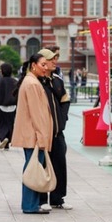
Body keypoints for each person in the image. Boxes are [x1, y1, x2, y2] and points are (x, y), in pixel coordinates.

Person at [11, 53, 54, 214]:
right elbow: (38, 114)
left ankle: (31, 203)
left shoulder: (30, 82)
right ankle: (30, 204)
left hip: (32, 133)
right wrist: (42, 136)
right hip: (34, 135)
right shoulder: (32, 84)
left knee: (32, 168)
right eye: (43, 64)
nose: (45, 68)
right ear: (33, 65)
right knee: (32, 169)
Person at [40, 49, 71, 210]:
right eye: (51, 59)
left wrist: (62, 118)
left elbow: (65, 101)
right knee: (43, 165)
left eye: (55, 59)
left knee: (59, 164)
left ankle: (58, 198)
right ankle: (42, 199)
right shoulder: (36, 81)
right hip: (42, 133)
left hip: (58, 131)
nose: (54, 62)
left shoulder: (57, 81)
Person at [0, 63, 18, 150]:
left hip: (1, 106)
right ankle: (8, 140)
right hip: (13, 106)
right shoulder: (15, 82)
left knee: (2, 124)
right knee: (10, 124)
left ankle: (3, 138)